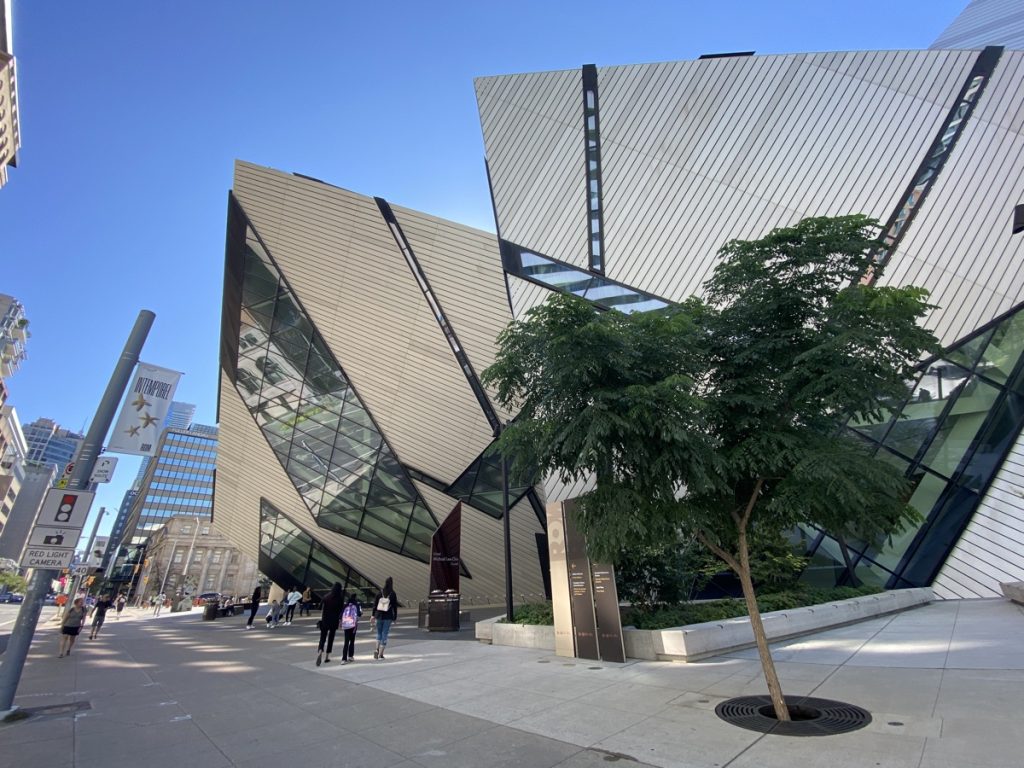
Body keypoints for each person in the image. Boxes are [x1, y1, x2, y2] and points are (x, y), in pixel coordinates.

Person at [316, 582, 344, 666]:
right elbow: (341, 611)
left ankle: (320, 650)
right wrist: (340, 620)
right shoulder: (340, 598)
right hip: (334, 621)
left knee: (322, 637)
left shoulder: (326, 596)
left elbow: (319, 607)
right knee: (331, 638)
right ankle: (327, 656)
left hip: (325, 619)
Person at [371, 577, 398, 660]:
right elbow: (394, 607)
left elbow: (375, 605)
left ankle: (376, 649)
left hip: (379, 615)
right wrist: (394, 617)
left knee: (379, 633)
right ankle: (381, 654)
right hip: (388, 616)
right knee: (384, 634)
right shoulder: (393, 594)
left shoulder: (380, 592)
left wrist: (373, 615)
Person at [340, 593, 362, 663]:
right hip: (353, 625)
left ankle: (344, 659)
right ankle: (350, 656)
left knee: (346, 641)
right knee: (352, 641)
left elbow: (340, 615)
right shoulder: (357, 605)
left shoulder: (345, 605)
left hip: (346, 625)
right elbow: (359, 614)